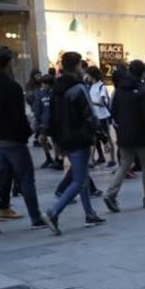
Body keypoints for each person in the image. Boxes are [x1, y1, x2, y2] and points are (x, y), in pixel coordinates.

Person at [0, 46, 51, 236]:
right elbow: (18, 116)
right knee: (26, 178)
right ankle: (35, 217)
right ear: (9, 63)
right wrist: (26, 134)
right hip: (13, 140)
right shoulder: (13, 87)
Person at [44, 51, 104, 234]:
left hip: (63, 138)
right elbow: (89, 114)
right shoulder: (78, 88)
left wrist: (52, 137)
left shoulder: (56, 88)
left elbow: (51, 115)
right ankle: (54, 211)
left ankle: (89, 213)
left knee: (82, 175)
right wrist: (99, 132)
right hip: (79, 136)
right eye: (79, 65)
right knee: (78, 179)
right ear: (75, 66)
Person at [105, 60, 145, 212]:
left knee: (125, 164)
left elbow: (114, 111)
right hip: (141, 135)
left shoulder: (119, 90)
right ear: (142, 73)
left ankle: (111, 193)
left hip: (124, 134)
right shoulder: (143, 90)